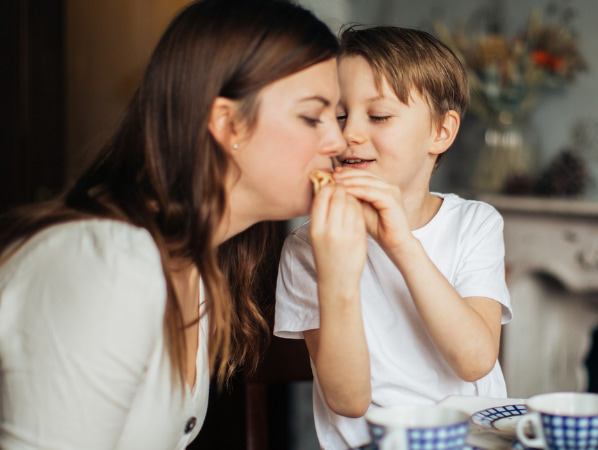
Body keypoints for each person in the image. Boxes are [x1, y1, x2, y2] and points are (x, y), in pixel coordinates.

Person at [0, 1, 357, 448]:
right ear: (228, 123)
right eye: (312, 116)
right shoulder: (111, 264)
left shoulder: (199, 266)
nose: (338, 141)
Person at [274, 25, 513, 449]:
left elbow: (476, 361)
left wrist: (401, 245)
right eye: (340, 115)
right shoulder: (309, 246)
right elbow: (348, 401)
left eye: (379, 115)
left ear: (441, 132)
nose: (350, 134)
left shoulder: (476, 223)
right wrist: (336, 270)